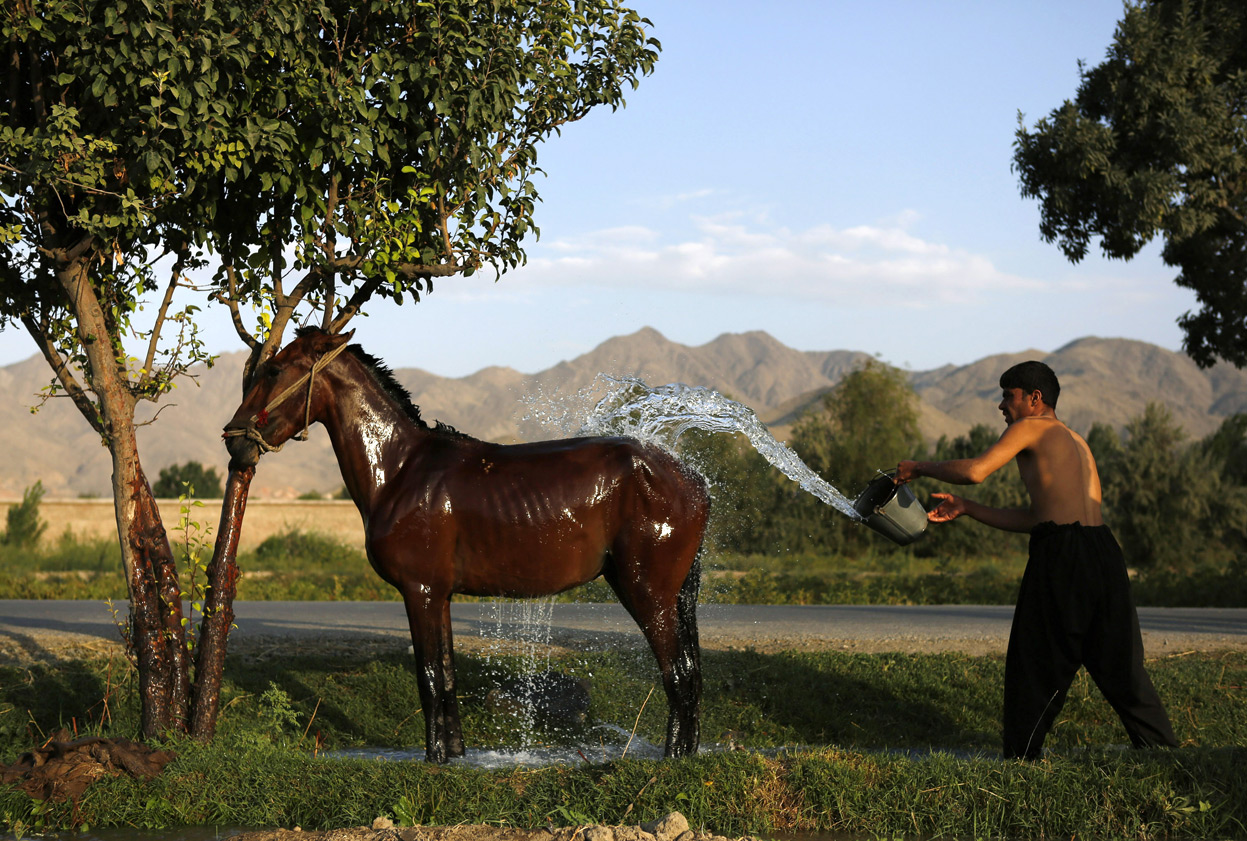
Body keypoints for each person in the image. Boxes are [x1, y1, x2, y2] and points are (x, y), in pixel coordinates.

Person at [894, 360, 1178, 759]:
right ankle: (1167, 756)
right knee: (1121, 667)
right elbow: (1037, 519)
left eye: (1008, 396)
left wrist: (919, 468)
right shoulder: (1076, 441)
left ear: (1034, 398)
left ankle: (1020, 761)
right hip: (1103, 553)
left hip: (1063, 554)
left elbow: (976, 470)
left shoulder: (1029, 427)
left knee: (1034, 660)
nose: (1001, 406)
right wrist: (969, 509)